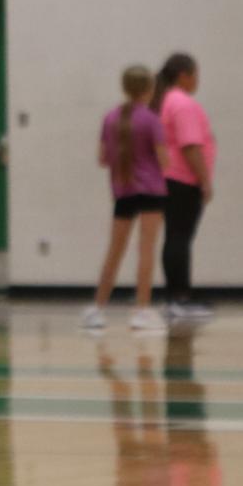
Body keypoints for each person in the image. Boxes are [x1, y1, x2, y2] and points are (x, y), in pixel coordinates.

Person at [81, 66, 168, 333]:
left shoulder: (110, 118)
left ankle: (97, 308)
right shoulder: (152, 120)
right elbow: (164, 160)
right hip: (152, 190)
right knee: (146, 250)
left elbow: (102, 159)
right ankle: (141, 311)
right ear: (148, 89)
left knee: (114, 250)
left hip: (123, 190)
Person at [155, 53, 215, 321]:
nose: (197, 80)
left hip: (170, 179)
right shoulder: (182, 103)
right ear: (183, 75)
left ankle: (176, 297)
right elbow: (190, 146)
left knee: (175, 237)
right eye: (195, 75)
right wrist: (205, 180)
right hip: (182, 180)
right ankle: (180, 298)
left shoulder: (165, 100)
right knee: (180, 238)